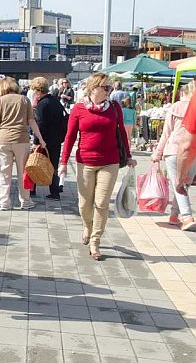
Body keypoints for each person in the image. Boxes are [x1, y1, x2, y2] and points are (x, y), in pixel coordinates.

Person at [59, 73, 137, 261]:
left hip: (109, 161)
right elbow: (69, 138)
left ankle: (95, 241)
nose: (109, 91)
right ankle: (88, 225)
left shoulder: (115, 107)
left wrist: (129, 156)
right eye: (106, 88)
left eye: (110, 88)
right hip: (85, 161)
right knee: (85, 203)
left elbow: (122, 135)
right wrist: (63, 163)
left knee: (101, 204)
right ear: (94, 88)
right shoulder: (78, 109)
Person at [0, 77, 46, 210]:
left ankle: (4, 203)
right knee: (23, 172)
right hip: (21, 139)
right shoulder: (24, 99)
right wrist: (41, 139)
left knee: (3, 173)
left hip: (3, 139)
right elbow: (32, 121)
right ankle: (25, 201)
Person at [156, 82, 196, 231]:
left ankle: (186, 217)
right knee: (183, 184)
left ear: (182, 92)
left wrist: (157, 153)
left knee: (178, 185)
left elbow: (166, 133)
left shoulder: (175, 107)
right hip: (193, 152)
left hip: (173, 150)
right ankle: (174, 215)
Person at [29, 77, 65, 200]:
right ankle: (54, 192)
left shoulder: (42, 104)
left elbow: (40, 124)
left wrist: (36, 141)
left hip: (44, 140)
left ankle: (31, 189)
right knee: (53, 166)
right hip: (56, 139)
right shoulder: (55, 101)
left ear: (37, 90)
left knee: (34, 163)